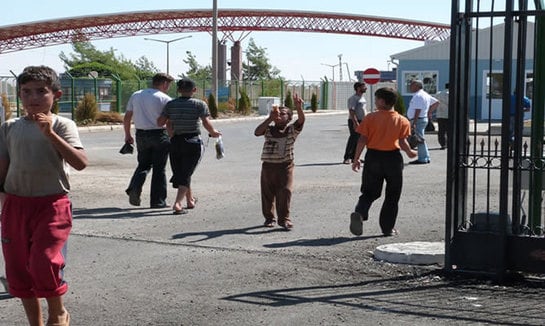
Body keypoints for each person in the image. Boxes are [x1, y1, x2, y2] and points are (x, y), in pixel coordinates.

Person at [0, 65, 88, 326]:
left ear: (56, 95)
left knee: (44, 262)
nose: (33, 98)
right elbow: (3, 168)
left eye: (41, 92)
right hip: (16, 205)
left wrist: (49, 134)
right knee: (17, 268)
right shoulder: (9, 127)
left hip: (51, 204)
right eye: (26, 92)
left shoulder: (63, 124)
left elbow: (80, 162)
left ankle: (58, 312)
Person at [349, 87, 416, 237]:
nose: (375, 101)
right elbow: (403, 142)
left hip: (373, 157)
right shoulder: (402, 120)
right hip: (393, 158)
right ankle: (387, 228)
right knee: (393, 194)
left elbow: (362, 139)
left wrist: (356, 159)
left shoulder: (370, 118)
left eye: (376, 98)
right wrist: (410, 152)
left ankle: (360, 212)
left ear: (381, 101)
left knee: (369, 191)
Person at [157, 78, 221, 215]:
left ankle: (190, 200)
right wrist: (214, 132)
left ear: (178, 90)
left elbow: (161, 122)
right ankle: (178, 204)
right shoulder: (199, 104)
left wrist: (171, 132)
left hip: (175, 142)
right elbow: (205, 122)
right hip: (192, 141)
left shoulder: (171, 104)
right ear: (194, 90)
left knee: (183, 171)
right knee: (186, 173)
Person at [254, 94, 305, 230]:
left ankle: (284, 219)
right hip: (268, 166)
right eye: (278, 113)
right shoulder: (269, 129)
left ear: (289, 118)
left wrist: (299, 108)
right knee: (267, 193)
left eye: (283, 114)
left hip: (285, 166)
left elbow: (301, 121)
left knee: (285, 191)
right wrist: (270, 118)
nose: (280, 116)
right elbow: (257, 132)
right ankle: (269, 218)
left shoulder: (291, 130)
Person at [124, 72, 174, 208]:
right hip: (159, 134)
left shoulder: (136, 95)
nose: (168, 87)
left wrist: (127, 135)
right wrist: (172, 137)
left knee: (143, 165)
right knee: (159, 169)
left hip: (141, 134)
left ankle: (134, 187)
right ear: (164, 83)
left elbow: (127, 116)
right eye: (168, 85)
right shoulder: (165, 99)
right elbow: (168, 121)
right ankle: (158, 201)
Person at [406, 79, 439, 164]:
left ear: (417, 86)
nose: (410, 87)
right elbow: (436, 103)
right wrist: (429, 112)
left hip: (418, 119)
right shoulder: (425, 94)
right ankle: (426, 157)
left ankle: (423, 158)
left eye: (412, 85)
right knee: (420, 139)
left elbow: (418, 110)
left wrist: (414, 123)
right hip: (422, 118)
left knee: (419, 140)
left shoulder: (418, 96)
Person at [343, 82, 367, 164]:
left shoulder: (362, 98)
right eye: (363, 87)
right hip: (355, 121)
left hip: (362, 121)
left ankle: (355, 157)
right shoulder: (353, 98)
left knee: (359, 139)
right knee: (353, 138)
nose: (365, 88)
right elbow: (351, 111)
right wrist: (355, 122)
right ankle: (347, 157)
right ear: (358, 88)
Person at [431, 83, 449, 150]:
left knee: (441, 130)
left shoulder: (438, 94)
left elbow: (434, 102)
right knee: (449, 130)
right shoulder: (451, 93)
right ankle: (449, 143)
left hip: (440, 114)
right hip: (449, 114)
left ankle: (443, 144)